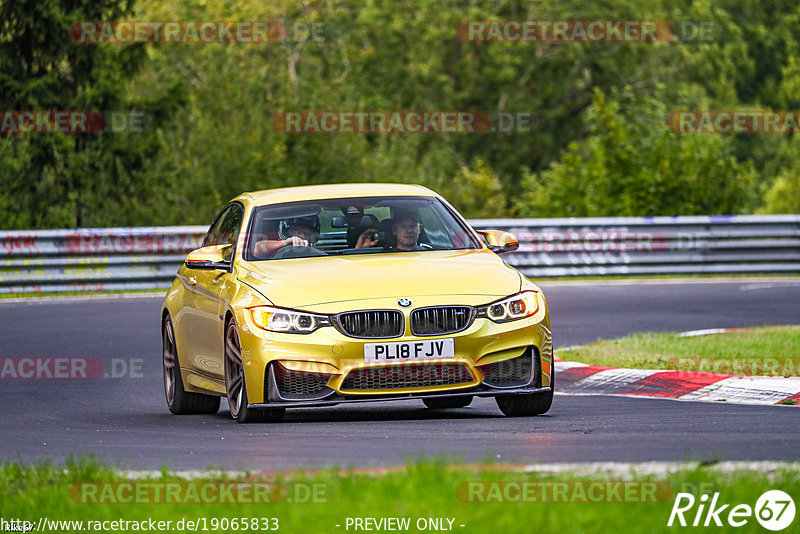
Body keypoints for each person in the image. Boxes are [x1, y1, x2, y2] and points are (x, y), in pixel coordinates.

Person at [254, 215, 320, 257]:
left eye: (304, 233)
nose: (300, 236)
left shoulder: (322, 253)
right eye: (295, 230)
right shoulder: (276, 247)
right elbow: (256, 249)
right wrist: (284, 243)